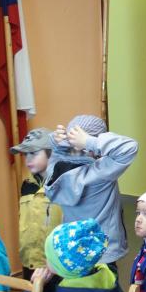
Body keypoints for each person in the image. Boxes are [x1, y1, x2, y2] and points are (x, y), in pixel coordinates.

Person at [45, 114, 138, 271]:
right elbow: (130, 147)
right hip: (102, 251)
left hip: (73, 250)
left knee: (79, 284)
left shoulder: (55, 170)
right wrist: (90, 141)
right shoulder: (101, 172)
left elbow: (57, 155)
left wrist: (57, 143)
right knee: (106, 284)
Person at [11, 128, 63, 280]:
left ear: (51, 152)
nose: (27, 159)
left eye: (33, 153)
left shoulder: (63, 183)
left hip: (56, 265)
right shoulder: (27, 185)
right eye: (25, 154)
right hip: (30, 262)